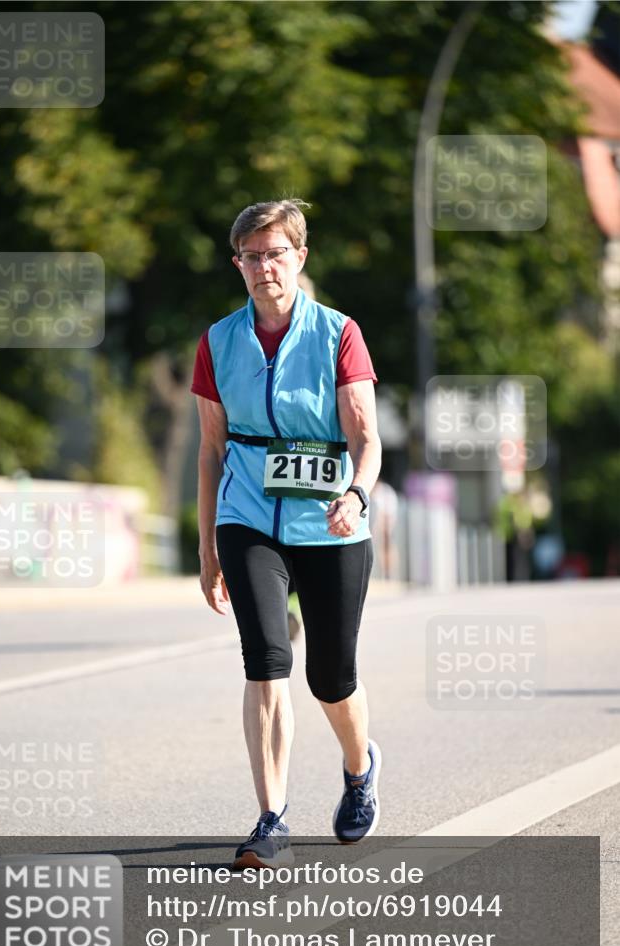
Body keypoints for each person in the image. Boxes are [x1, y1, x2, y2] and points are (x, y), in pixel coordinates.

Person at [191, 199, 382, 869]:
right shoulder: (218, 341)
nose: (263, 266)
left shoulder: (338, 333)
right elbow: (210, 449)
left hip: (330, 524)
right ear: (237, 263)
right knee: (266, 659)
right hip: (248, 516)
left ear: (299, 258)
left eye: (276, 253)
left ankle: (359, 768)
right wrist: (208, 545)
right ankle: (270, 819)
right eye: (251, 255)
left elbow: (366, 438)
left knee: (330, 677)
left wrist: (356, 495)